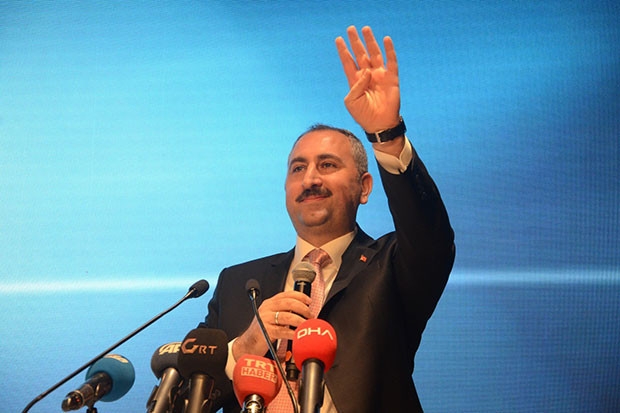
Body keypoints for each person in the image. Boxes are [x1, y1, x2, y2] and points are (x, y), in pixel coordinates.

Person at [201, 25, 455, 412]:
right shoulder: (237, 284)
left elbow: (429, 233)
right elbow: (191, 394)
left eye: (328, 165)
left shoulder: (391, 267)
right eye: (298, 168)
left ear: (364, 188)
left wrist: (385, 133)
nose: (310, 179)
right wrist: (246, 345)